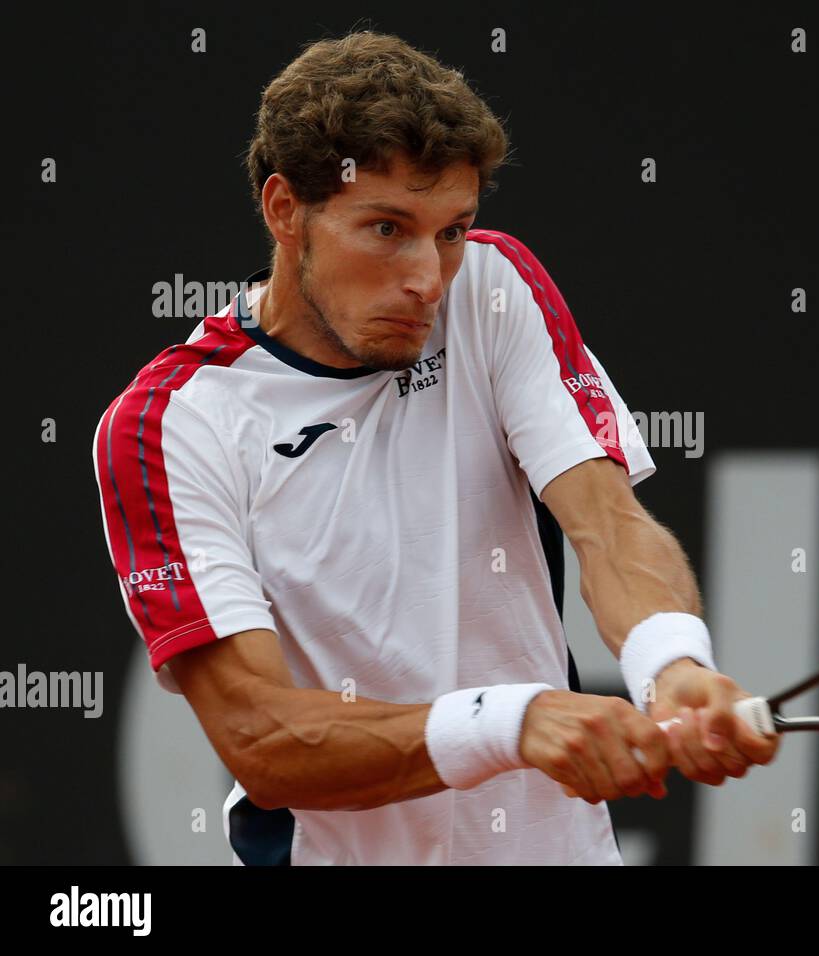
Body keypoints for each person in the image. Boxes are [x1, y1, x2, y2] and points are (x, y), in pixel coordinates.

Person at [91, 30, 776, 865]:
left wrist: (673, 665)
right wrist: (510, 723)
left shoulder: (492, 289)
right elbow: (257, 737)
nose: (426, 276)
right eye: (387, 228)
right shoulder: (171, 424)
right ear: (284, 211)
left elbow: (607, 523)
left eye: (451, 231)